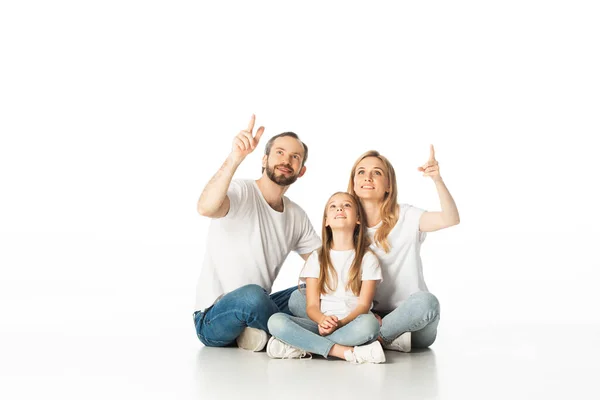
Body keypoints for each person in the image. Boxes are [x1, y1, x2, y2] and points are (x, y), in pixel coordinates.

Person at [289, 146, 460, 352]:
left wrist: (437, 179)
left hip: (407, 317)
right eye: (361, 172)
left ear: (388, 185)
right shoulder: (346, 220)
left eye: (377, 173)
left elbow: (450, 219)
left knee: (427, 303)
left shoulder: (406, 216)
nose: (367, 177)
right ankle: (361, 337)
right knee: (299, 298)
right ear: (354, 182)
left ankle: (372, 338)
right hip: (360, 313)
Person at [193, 115, 321, 352]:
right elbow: (206, 208)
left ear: (301, 171)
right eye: (280, 152)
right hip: (214, 317)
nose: (286, 160)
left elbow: (325, 265)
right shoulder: (241, 191)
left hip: (262, 307)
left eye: (295, 157)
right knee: (252, 296)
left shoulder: (296, 215)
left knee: (313, 290)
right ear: (264, 159)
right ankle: (303, 339)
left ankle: (263, 335)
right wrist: (235, 158)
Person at [267, 192, 386, 364]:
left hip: (352, 324)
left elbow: (363, 305)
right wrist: (322, 320)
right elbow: (312, 306)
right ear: (326, 221)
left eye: (347, 205)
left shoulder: (368, 259)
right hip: (321, 325)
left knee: (370, 325)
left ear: (358, 219)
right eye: (333, 206)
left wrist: (340, 323)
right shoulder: (317, 258)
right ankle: (344, 352)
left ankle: (303, 345)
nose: (339, 208)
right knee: (275, 321)